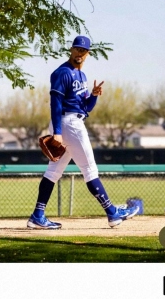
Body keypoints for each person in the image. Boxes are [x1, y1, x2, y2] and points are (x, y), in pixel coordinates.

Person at [27, 35, 139, 229]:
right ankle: (112, 213)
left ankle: (38, 215)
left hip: (73, 121)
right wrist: (58, 133)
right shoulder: (62, 72)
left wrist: (94, 96)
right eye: (77, 49)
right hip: (68, 123)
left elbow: (85, 108)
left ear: (88, 53)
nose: (80, 53)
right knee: (89, 170)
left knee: (53, 172)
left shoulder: (82, 76)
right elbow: (55, 103)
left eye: (84, 50)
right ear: (71, 49)